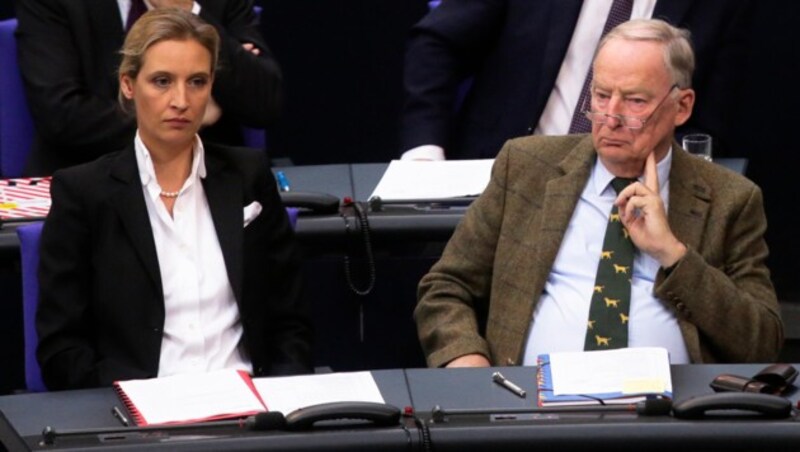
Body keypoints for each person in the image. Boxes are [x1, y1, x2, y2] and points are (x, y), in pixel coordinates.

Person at [414, 19, 781, 368]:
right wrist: (466, 360)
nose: (611, 116)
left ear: (682, 106)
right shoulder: (526, 167)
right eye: (602, 96)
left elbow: (760, 342)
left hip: (670, 418)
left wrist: (672, 253)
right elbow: (446, 287)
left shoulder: (730, 198)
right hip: (531, 407)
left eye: (635, 101)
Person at [36, 9, 312, 390]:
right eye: (162, 81)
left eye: (197, 82)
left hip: (251, 410)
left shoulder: (248, 177)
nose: (181, 100)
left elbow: (289, 322)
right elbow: (62, 350)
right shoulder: (84, 193)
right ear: (129, 85)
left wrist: (282, 398)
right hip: (137, 418)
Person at [400, 0, 752, 160]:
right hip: (499, 177)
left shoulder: (721, 6)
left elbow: (707, 128)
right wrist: (424, 152)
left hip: (629, 201)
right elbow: (438, 43)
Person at [16, 0, 281, 176]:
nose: (180, 100)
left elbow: (263, 102)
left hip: (207, 174)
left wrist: (190, 12)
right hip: (86, 173)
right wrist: (189, 116)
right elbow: (62, 114)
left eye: (198, 82)